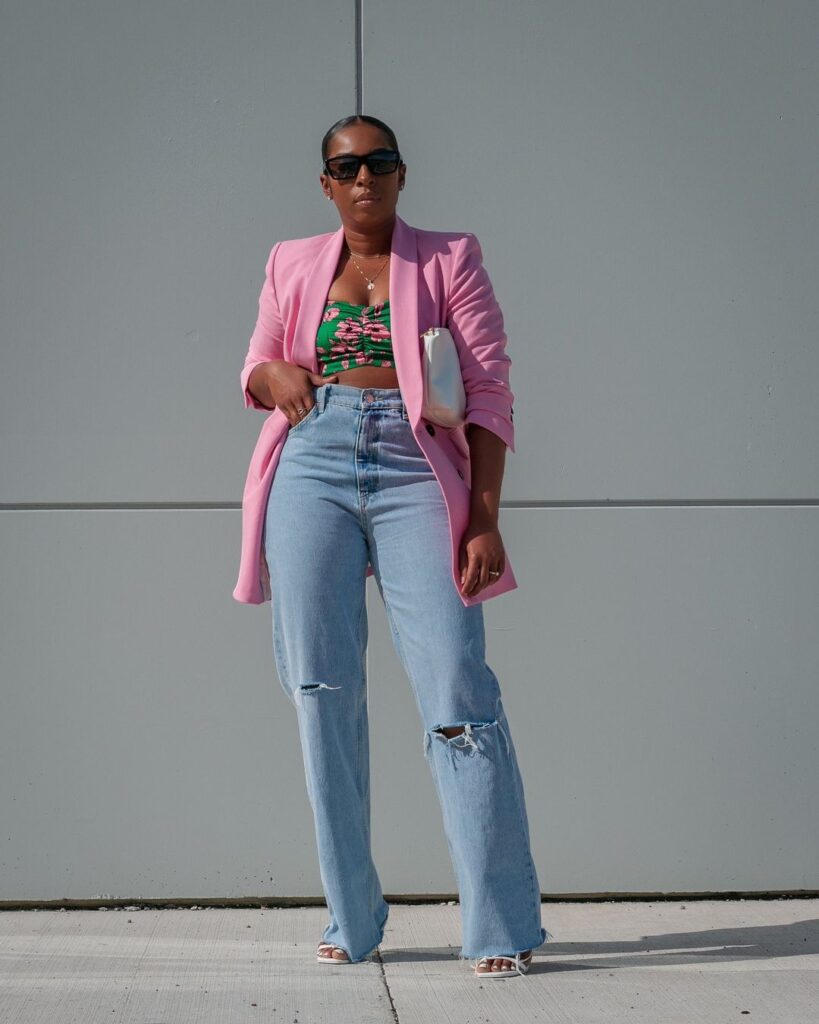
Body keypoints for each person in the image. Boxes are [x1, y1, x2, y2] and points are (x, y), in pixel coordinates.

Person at [237, 114, 551, 979]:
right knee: (322, 692)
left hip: (419, 470)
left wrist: (483, 516)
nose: (364, 176)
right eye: (347, 165)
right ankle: (354, 914)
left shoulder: (448, 258)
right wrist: (276, 376)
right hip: (312, 463)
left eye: (380, 162)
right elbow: (258, 364)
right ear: (327, 183)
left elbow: (487, 391)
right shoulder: (289, 261)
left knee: (457, 690)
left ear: (402, 175)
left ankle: (499, 921)